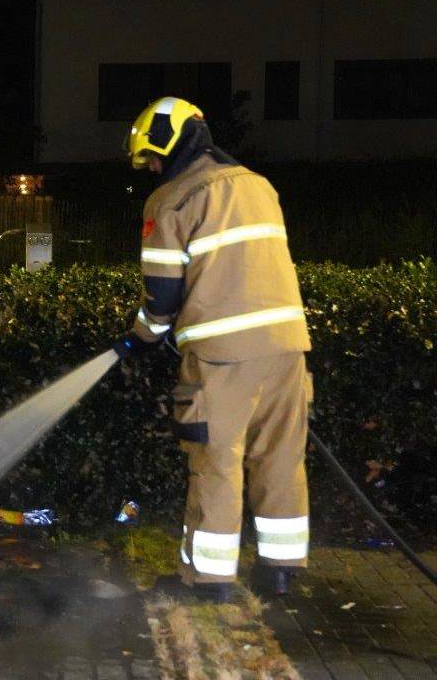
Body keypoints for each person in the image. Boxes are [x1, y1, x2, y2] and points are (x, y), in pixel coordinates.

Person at [113, 97, 313, 602]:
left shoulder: (173, 200)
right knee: (281, 458)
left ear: (167, 142)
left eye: (152, 158)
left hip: (222, 356)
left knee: (216, 464)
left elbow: (161, 295)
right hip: (288, 348)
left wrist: (139, 338)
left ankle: (207, 581)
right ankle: (281, 570)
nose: (153, 169)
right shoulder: (258, 186)